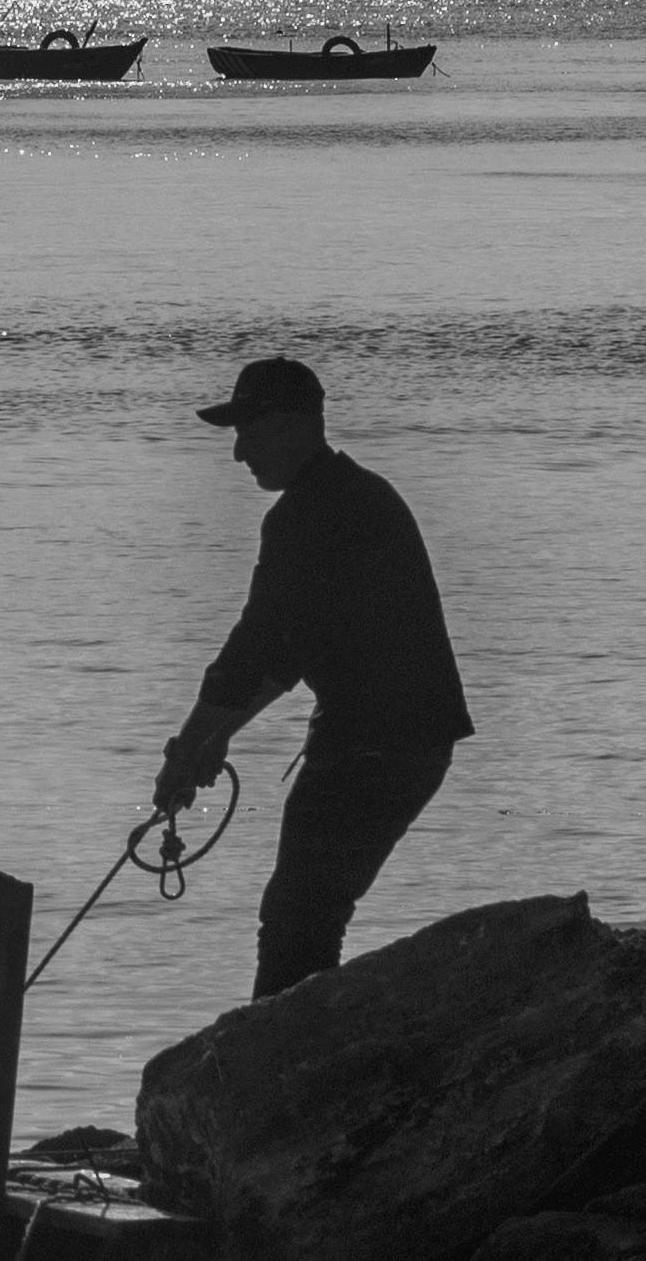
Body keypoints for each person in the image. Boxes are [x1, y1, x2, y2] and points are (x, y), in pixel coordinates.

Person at [150, 358, 472, 997]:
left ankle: (284, 1047)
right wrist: (215, 737)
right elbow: (286, 653)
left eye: (249, 431)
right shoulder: (355, 494)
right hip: (407, 743)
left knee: (298, 915)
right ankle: (300, 1036)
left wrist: (190, 747)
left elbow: (253, 647)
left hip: (372, 748)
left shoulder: (307, 514)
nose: (238, 452)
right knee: (307, 911)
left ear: (295, 426)